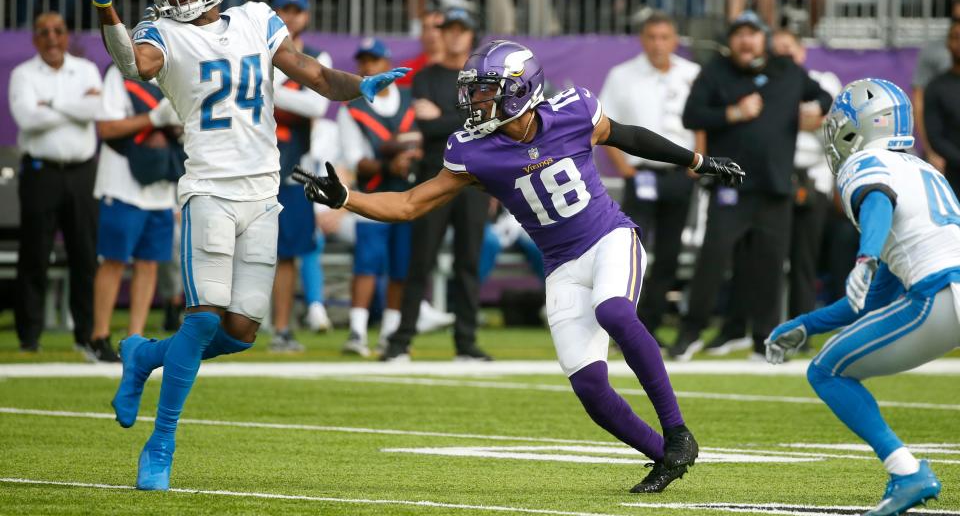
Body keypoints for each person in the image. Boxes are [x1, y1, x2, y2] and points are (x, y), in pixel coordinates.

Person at [294, 39, 746, 493]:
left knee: (614, 311)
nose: (476, 100)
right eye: (474, 90)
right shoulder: (473, 151)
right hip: (561, 264)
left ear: (520, 90)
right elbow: (411, 203)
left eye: (487, 90)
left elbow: (627, 135)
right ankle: (665, 456)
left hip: (610, 237)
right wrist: (348, 198)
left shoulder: (573, 111)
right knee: (589, 386)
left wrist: (699, 162)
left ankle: (678, 431)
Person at [90, 0, 408, 490]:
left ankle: (143, 357)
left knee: (239, 332)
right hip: (209, 188)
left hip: (263, 193)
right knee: (205, 317)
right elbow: (132, 65)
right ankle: (161, 443)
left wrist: (358, 88)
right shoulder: (160, 33)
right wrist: (106, 6)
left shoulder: (257, 18)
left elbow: (310, 72)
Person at [766, 79, 956, 516]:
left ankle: (907, 472)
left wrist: (866, 253)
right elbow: (870, 302)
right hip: (946, 284)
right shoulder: (922, 170)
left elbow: (877, 199)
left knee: (827, 371)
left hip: (941, 291)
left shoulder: (866, 164)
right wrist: (805, 324)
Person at [670, 11, 833, 361]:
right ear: (731, 40)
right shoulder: (716, 71)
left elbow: (823, 96)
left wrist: (816, 109)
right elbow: (691, 115)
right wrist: (732, 113)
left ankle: (764, 339)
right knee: (711, 260)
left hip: (775, 187)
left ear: (764, 39)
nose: (746, 41)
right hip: (730, 183)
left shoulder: (787, 70)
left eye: (753, 34)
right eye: (740, 34)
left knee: (770, 267)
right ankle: (691, 331)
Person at [379, 7, 491, 362]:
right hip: (435, 177)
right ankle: (401, 341)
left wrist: (447, 117)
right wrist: (466, 117)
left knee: (468, 262)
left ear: (473, 35)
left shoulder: (485, 78)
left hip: (474, 181)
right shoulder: (426, 76)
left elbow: (486, 122)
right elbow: (430, 128)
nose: (454, 35)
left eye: (461, 30)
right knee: (420, 261)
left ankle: (466, 342)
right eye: (449, 29)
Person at [599, 12, 700, 339]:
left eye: (664, 37)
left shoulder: (692, 74)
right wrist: (625, 169)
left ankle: (651, 325)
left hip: (678, 174)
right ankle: (624, 327)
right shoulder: (622, 75)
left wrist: (695, 163)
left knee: (670, 254)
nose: (658, 44)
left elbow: (700, 122)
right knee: (631, 254)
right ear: (642, 40)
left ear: (675, 40)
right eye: (652, 37)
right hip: (639, 175)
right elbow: (602, 125)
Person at [9, 12, 101, 354]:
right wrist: (73, 106)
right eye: (44, 32)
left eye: (58, 31)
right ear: (34, 38)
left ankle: (87, 335)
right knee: (35, 255)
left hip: (82, 173)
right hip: (41, 172)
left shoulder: (87, 69)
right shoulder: (23, 74)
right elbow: (27, 118)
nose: (51, 38)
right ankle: (29, 338)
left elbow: (94, 109)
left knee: (85, 256)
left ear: (67, 36)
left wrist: (51, 103)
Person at [88, 68, 183, 362]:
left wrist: (176, 127)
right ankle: (99, 336)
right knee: (114, 260)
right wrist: (154, 118)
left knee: (149, 263)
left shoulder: (176, 74)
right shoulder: (121, 75)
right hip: (121, 184)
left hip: (160, 185)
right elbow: (107, 128)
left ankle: (135, 339)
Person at [338, 38, 421, 356]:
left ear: (387, 65)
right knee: (367, 264)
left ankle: (390, 331)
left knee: (401, 265)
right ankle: (357, 331)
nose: (368, 67)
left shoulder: (411, 100)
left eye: (374, 61)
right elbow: (356, 160)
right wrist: (391, 162)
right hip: (372, 195)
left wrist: (408, 159)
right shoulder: (353, 109)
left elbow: (423, 142)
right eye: (364, 62)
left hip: (410, 193)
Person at [270, 0, 335, 350]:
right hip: (252, 161)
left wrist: (263, 89)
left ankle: (281, 328)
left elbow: (315, 106)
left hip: (292, 165)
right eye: (285, 8)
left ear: (306, 16)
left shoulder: (314, 56)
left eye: (298, 10)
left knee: (289, 252)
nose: (291, 16)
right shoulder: (258, 50)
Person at [771, 28, 841, 340]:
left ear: (801, 51)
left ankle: (803, 329)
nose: (784, 55)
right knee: (772, 257)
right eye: (778, 50)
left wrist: (786, 118)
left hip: (815, 178)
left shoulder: (824, 81)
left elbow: (830, 124)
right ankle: (769, 326)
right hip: (777, 176)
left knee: (804, 258)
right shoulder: (768, 81)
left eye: (789, 49)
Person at [922, 20, 960, 197]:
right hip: (954, 179)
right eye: (956, 37)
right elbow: (935, 137)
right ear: (948, 43)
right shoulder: (937, 88)